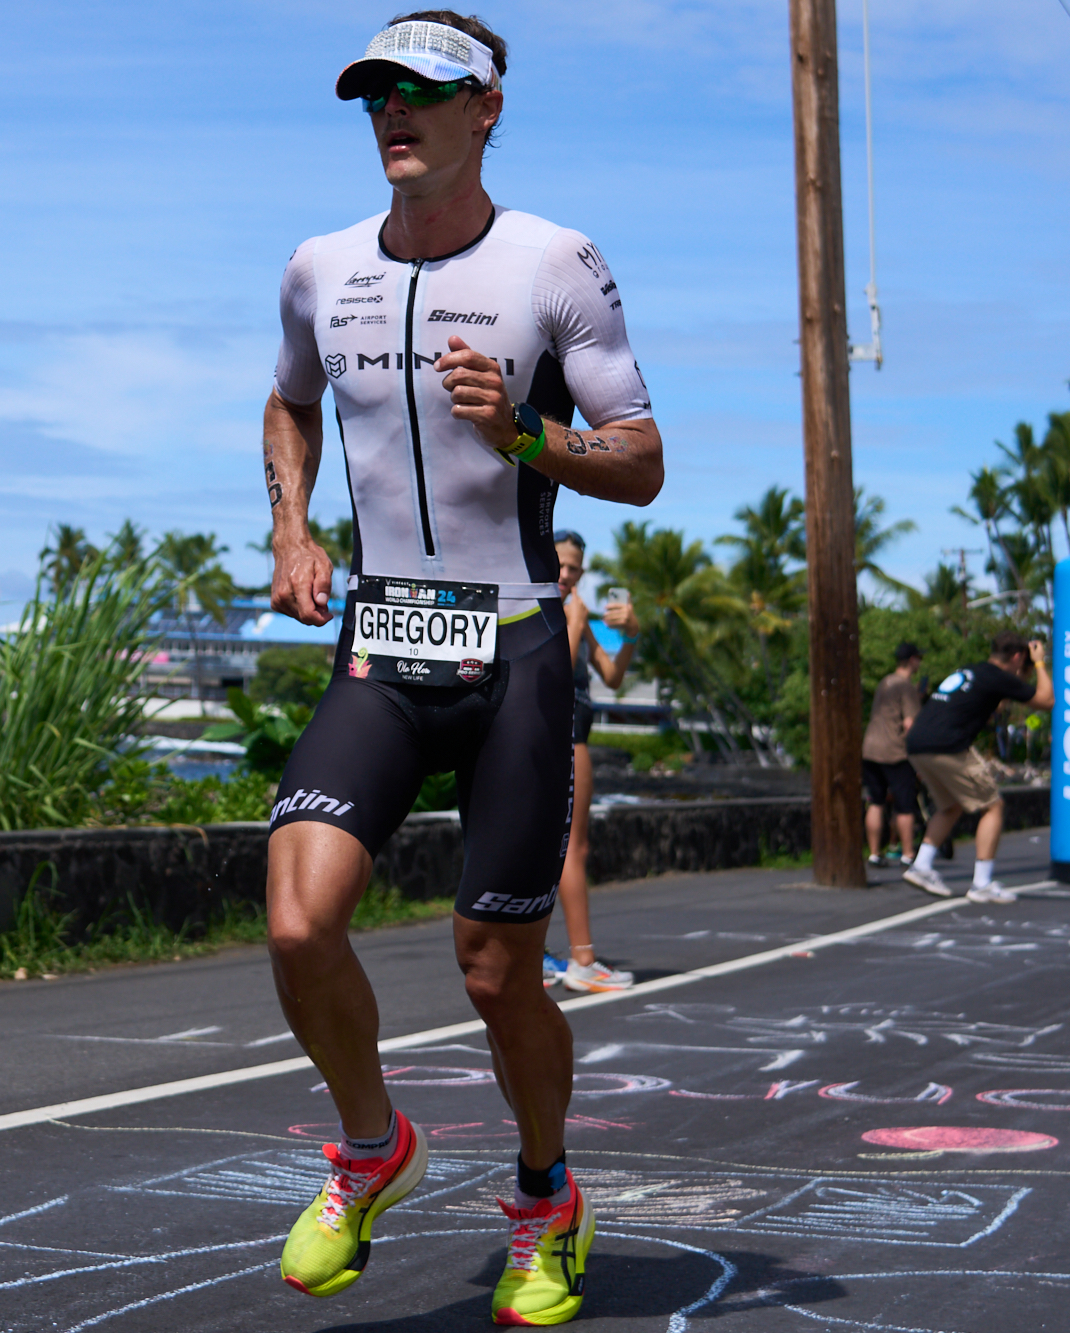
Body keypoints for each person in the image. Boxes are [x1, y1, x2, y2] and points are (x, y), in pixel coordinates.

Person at [260, 13, 664, 1323]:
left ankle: (547, 1197)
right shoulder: (320, 267)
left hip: (519, 650)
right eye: (374, 94)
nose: (394, 113)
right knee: (297, 920)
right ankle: (371, 1148)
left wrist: (530, 433)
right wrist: (291, 527)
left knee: (496, 971)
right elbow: (291, 400)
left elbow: (642, 460)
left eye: (421, 93)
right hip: (382, 642)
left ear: (485, 109)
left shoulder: (554, 262)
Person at [542, 531, 637, 994]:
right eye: (558, 564)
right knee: (572, 849)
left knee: (544, 850)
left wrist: (631, 635)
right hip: (564, 732)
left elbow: (613, 677)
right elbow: (552, 676)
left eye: (574, 568)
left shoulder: (570, 612)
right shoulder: (552, 614)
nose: (565, 574)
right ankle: (583, 961)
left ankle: (534, 957)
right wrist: (576, 623)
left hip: (563, 732)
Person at [902, 633, 1054, 902]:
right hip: (948, 745)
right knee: (992, 806)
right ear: (1017, 657)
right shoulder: (999, 676)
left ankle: (921, 866)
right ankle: (982, 883)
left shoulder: (971, 670)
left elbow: (996, 705)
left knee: (951, 806)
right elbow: (1046, 701)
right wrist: (1040, 662)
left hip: (917, 744)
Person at [862, 643, 925, 869]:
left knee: (876, 802)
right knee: (905, 804)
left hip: (870, 748)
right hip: (894, 752)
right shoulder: (906, 686)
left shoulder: (885, 682)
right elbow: (910, 723)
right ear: (911, 660)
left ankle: (874, 853)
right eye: (919, 658)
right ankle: (908, 854)